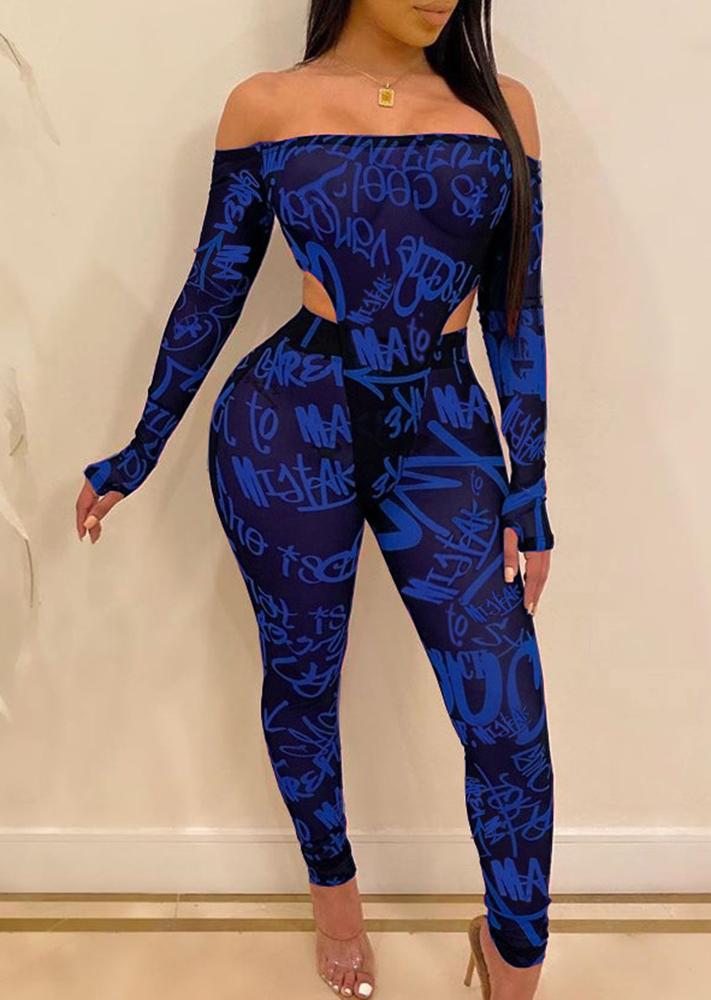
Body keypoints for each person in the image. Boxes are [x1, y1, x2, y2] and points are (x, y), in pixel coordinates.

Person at [75, 2, 556, 997]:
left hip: (443, 435)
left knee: (506, 718)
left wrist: (531, 486)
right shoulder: (266, 106)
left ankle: (514, 957)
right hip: (287, 425)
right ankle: (333, 892)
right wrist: (141, 446)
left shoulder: (501, 108)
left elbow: (517, 308)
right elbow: (212, 287)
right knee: (303, 679)